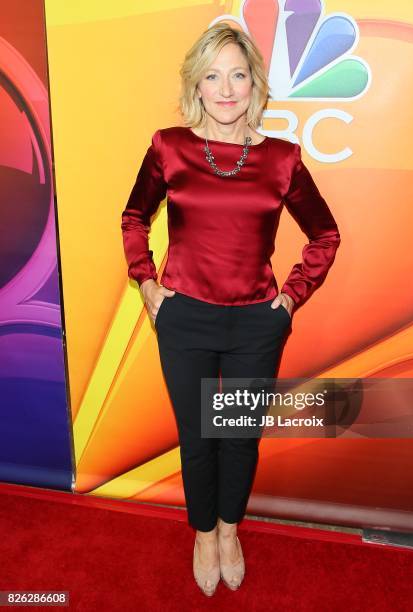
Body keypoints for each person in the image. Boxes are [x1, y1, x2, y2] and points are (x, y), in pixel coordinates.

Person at [121, 23, 341, 596]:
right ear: (197, 84)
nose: (225, 89)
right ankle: (201, 535)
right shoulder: (168, 147)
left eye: (237, 75)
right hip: (184, 316)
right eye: (212, 76)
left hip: (255, 323)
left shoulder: (282, 160)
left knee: (239, 435)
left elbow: (324, 234)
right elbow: (134, 217)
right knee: (196, 437)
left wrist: (291, 297)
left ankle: (228, 531)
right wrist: (146, 282)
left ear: (254, 86)